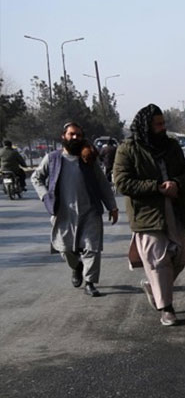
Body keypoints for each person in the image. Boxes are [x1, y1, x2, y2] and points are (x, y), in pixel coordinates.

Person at [114, 104, 185, 326]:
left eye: (163, 123)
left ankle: (154, 288)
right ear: (146, 126)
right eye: (157, 124)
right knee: (158, 261)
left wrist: (177, 183)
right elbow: (122, 182)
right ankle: (166, 308)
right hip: (148, 213)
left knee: (179, 258)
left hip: (176, 208)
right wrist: (156, 187)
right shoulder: (128, 148)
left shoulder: (171, 146)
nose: (162, 128)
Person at [32, 122, 119, 297]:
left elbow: (102, 184)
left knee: (92, 248)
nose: (75, 138)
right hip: (63, 213)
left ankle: (90, 283)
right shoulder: (53, 159)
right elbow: (36, 178)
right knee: (64, 248)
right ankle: (77, 266)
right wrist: (45, 196)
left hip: (90, 211)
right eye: (71, 134)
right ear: (63, 136)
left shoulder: (88, 159)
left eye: (78, 135)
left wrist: (112, 206)